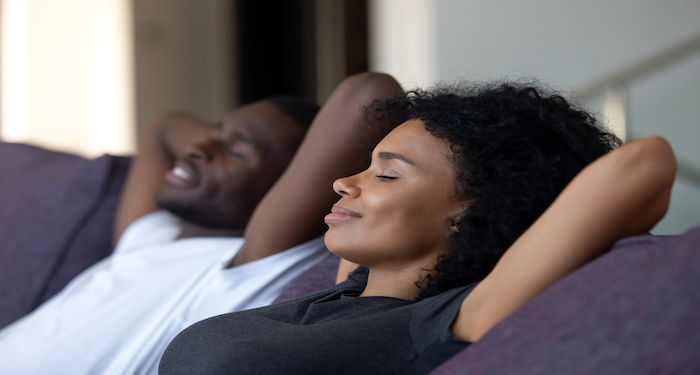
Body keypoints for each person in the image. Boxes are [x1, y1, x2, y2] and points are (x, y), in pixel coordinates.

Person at [158, 74, 676, 375]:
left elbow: (643, 165)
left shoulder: (435, 322)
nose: (343, 182)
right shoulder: (353, 286)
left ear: (470, 209)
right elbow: (362, 102)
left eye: (386, 173)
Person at [0, 97, 341, 374]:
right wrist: (228, 143)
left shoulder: (241, 267)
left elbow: (366, 92)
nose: (195, 149)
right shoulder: (151, 237)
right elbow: (163, 127)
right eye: (215, 132)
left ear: (289, 190)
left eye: (236, 151)